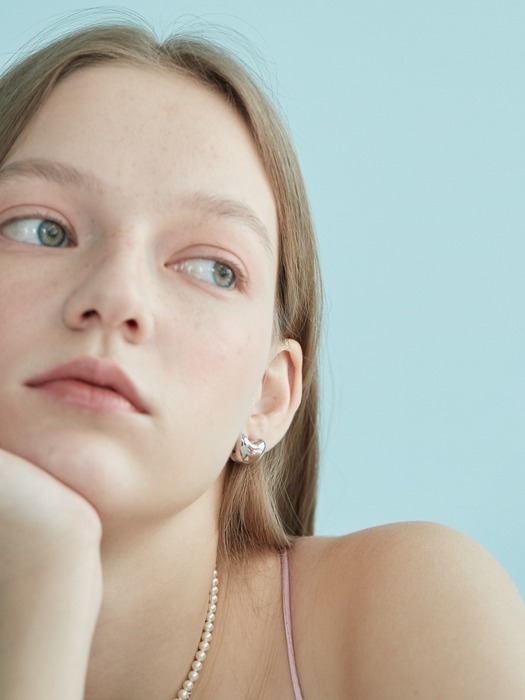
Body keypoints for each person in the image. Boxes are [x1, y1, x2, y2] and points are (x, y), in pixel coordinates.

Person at [0, 19, 524, 700]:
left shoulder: (407, 609)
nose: (115, 297)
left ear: (270, 396)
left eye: (212, 268)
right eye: (41, 230)